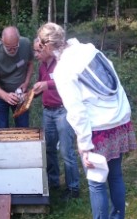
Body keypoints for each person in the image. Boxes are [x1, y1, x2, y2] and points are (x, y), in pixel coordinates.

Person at [37, 22, 137, 219]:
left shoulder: (63, 70)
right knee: (115, 175)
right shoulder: (88, 48)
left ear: (46, 46)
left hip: (99, 127)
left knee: (96, 182)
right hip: (120, 120)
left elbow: (77, 111)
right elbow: (113, 79)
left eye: (40, 46)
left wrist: (84, 145)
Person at [32, 38, 81, 200]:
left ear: (47, 49)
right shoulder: (42, 66)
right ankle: (53, 183)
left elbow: (65, 81)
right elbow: (41, 86)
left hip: (63, 111)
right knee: (49, 149)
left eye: (38, 51)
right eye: (35, 51)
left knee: (67, 151)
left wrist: (47, 84)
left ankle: (73, 189)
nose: (36, 54)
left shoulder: (62, 63)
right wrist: (29, 95)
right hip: (48, 112)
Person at [0, 26, 34, 128]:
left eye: (15, 47)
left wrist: (26, 82)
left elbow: (30, 64)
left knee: (23, 126)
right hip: (0, 94)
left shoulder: (25, 44)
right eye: (8, 47)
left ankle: (23, 144)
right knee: (2, 127)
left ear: (19, 40)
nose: (12, 50)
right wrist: (5, 96)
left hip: (20, 94)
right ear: (2, 41)